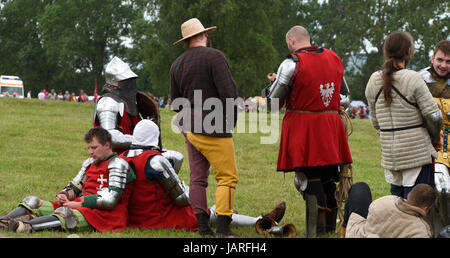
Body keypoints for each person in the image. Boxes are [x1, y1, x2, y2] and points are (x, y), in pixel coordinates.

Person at [120, 120, 287, 237]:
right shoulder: (155, 160)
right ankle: (261, 222)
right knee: (207, 212)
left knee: (207, 209)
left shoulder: (122, 157)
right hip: (158, 216)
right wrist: (185, 188)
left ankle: (261, 219)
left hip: (134, 216)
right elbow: (181, 199)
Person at [263, 25, 352, 237]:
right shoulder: (334, 58)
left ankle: (315, 230)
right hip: (331, 125)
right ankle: (329, 227)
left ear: (292, 41)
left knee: (308, 177)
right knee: (328, 176)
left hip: (304, 126)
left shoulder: (290, 64)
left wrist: (273, 85)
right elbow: (345, 98)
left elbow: (272, 103)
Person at [170, 18, 240, 237]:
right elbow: (229, 94)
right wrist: (231, 123)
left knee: (197, 179)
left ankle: (202, 228)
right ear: (205, 36)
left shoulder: (176, 65)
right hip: (215, 126)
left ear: (186, 41)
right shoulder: (215, 57)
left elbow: (175, 103)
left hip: (191, 129)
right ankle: (223, 229)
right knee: (227, 177)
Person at [0, 127, 133, 233]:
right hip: (79, 205)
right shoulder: (89, 163)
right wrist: (65, 194)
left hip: (105, 215)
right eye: (88, 148)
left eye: (94, 147)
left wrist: (80, 204)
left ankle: (24, 226)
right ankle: (4, 221)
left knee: (65, 213)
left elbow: (111, 200)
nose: (90, 152)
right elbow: (76, 186)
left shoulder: (118, 164)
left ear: (107, 145)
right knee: (32, 201)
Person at [365, 31, 442, 199]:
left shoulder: (373, 80)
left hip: (390, 154)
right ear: (408, 51)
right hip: (417, 153)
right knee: (416, 205)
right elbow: (435, 116)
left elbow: (376, 122)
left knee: (397, 203)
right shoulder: (413, 78)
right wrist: (435, 139)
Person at [418, 39, 450, 236]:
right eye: (440, 60)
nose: (443, 65)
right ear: (432, 58)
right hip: (431, 142)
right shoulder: (419, 80)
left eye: (448, 61)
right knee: (441, 188)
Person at [342, 182, 436, 238]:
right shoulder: (422, 231)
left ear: (408, 195)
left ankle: (344, 234)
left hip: (362, 234)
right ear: (425, 208)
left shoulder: (386, 200)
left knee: (360, 186)